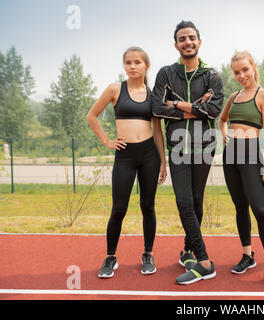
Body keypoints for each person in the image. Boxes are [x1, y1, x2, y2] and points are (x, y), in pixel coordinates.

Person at [152, 20, 224, 285]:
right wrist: (196, 106)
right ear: (176, 45)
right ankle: (204, 261)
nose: (188, 42)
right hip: (178, 147)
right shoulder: (165, 73)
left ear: (199, 42)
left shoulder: (212, 75)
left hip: (205, 147)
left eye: (192, 38)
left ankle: (189, 252)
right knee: (184, 202)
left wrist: (177, 104)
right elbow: (157, 109)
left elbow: (213, 111)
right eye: (182, 39)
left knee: (195, 200)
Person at [86, 47, 167, 278]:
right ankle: (110, 257)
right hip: (125, 155)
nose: (132, 66)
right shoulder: (115, 89)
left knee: (148, 206)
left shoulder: (153, 94)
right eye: (128, 62)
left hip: (149, 155)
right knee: (118, 209)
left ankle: (148, 255)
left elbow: (158, 130)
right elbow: (91, 116)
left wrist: (163, 161)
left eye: (137, 62)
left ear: (146, 66)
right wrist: (107, 141)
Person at [218, 51, 264, 292]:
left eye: (245, 70)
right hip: (230, 156)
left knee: (260, 209)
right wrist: (224, 134)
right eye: (236, 72)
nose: (241, 76)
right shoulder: (234, 96)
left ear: (254, 67)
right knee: (240, 206)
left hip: (251, 155)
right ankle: (248, 255)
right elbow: (222, 120)